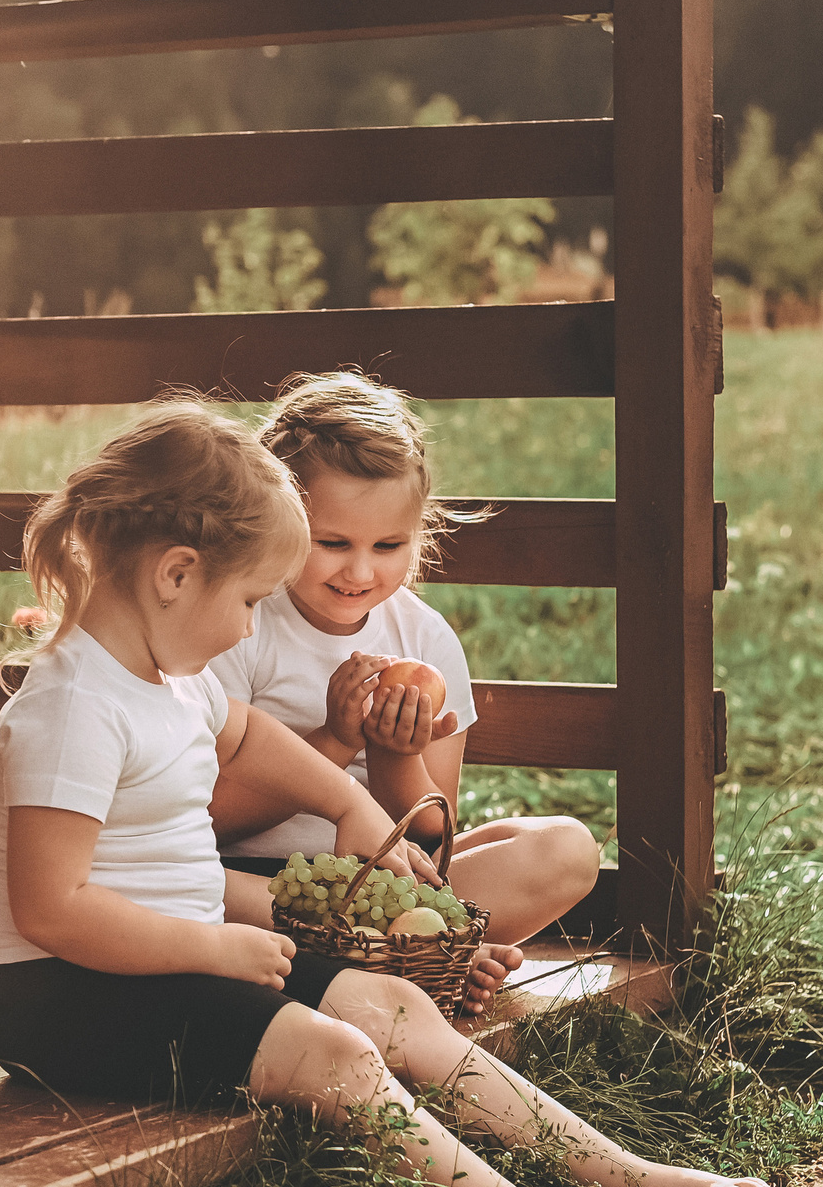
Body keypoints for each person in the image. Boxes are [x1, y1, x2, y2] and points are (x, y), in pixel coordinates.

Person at [0, 398, 767, 1187]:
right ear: (176, 574)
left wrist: (349, 802)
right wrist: (212, 948)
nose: (248, 628)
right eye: (248, 601)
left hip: (160, 958)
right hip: (61, 998)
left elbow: (249, 739)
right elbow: (51, 911)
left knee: (396, 1004)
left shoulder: (168, 679)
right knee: (337, 1056)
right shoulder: (73, 706)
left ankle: (625, 1177)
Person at [211, 373, 600, 946]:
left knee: (567, 849)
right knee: (179, 880)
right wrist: (335, 741)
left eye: (388, 546)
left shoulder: (425, 638)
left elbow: (433, 836)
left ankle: (391, 945)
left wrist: (394, 755)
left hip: (390, 883)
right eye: (332, 543)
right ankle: (422, 951)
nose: (360, 572)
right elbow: (210, 816)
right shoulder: (239, 622)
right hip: (258, 885)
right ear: (277, 518)